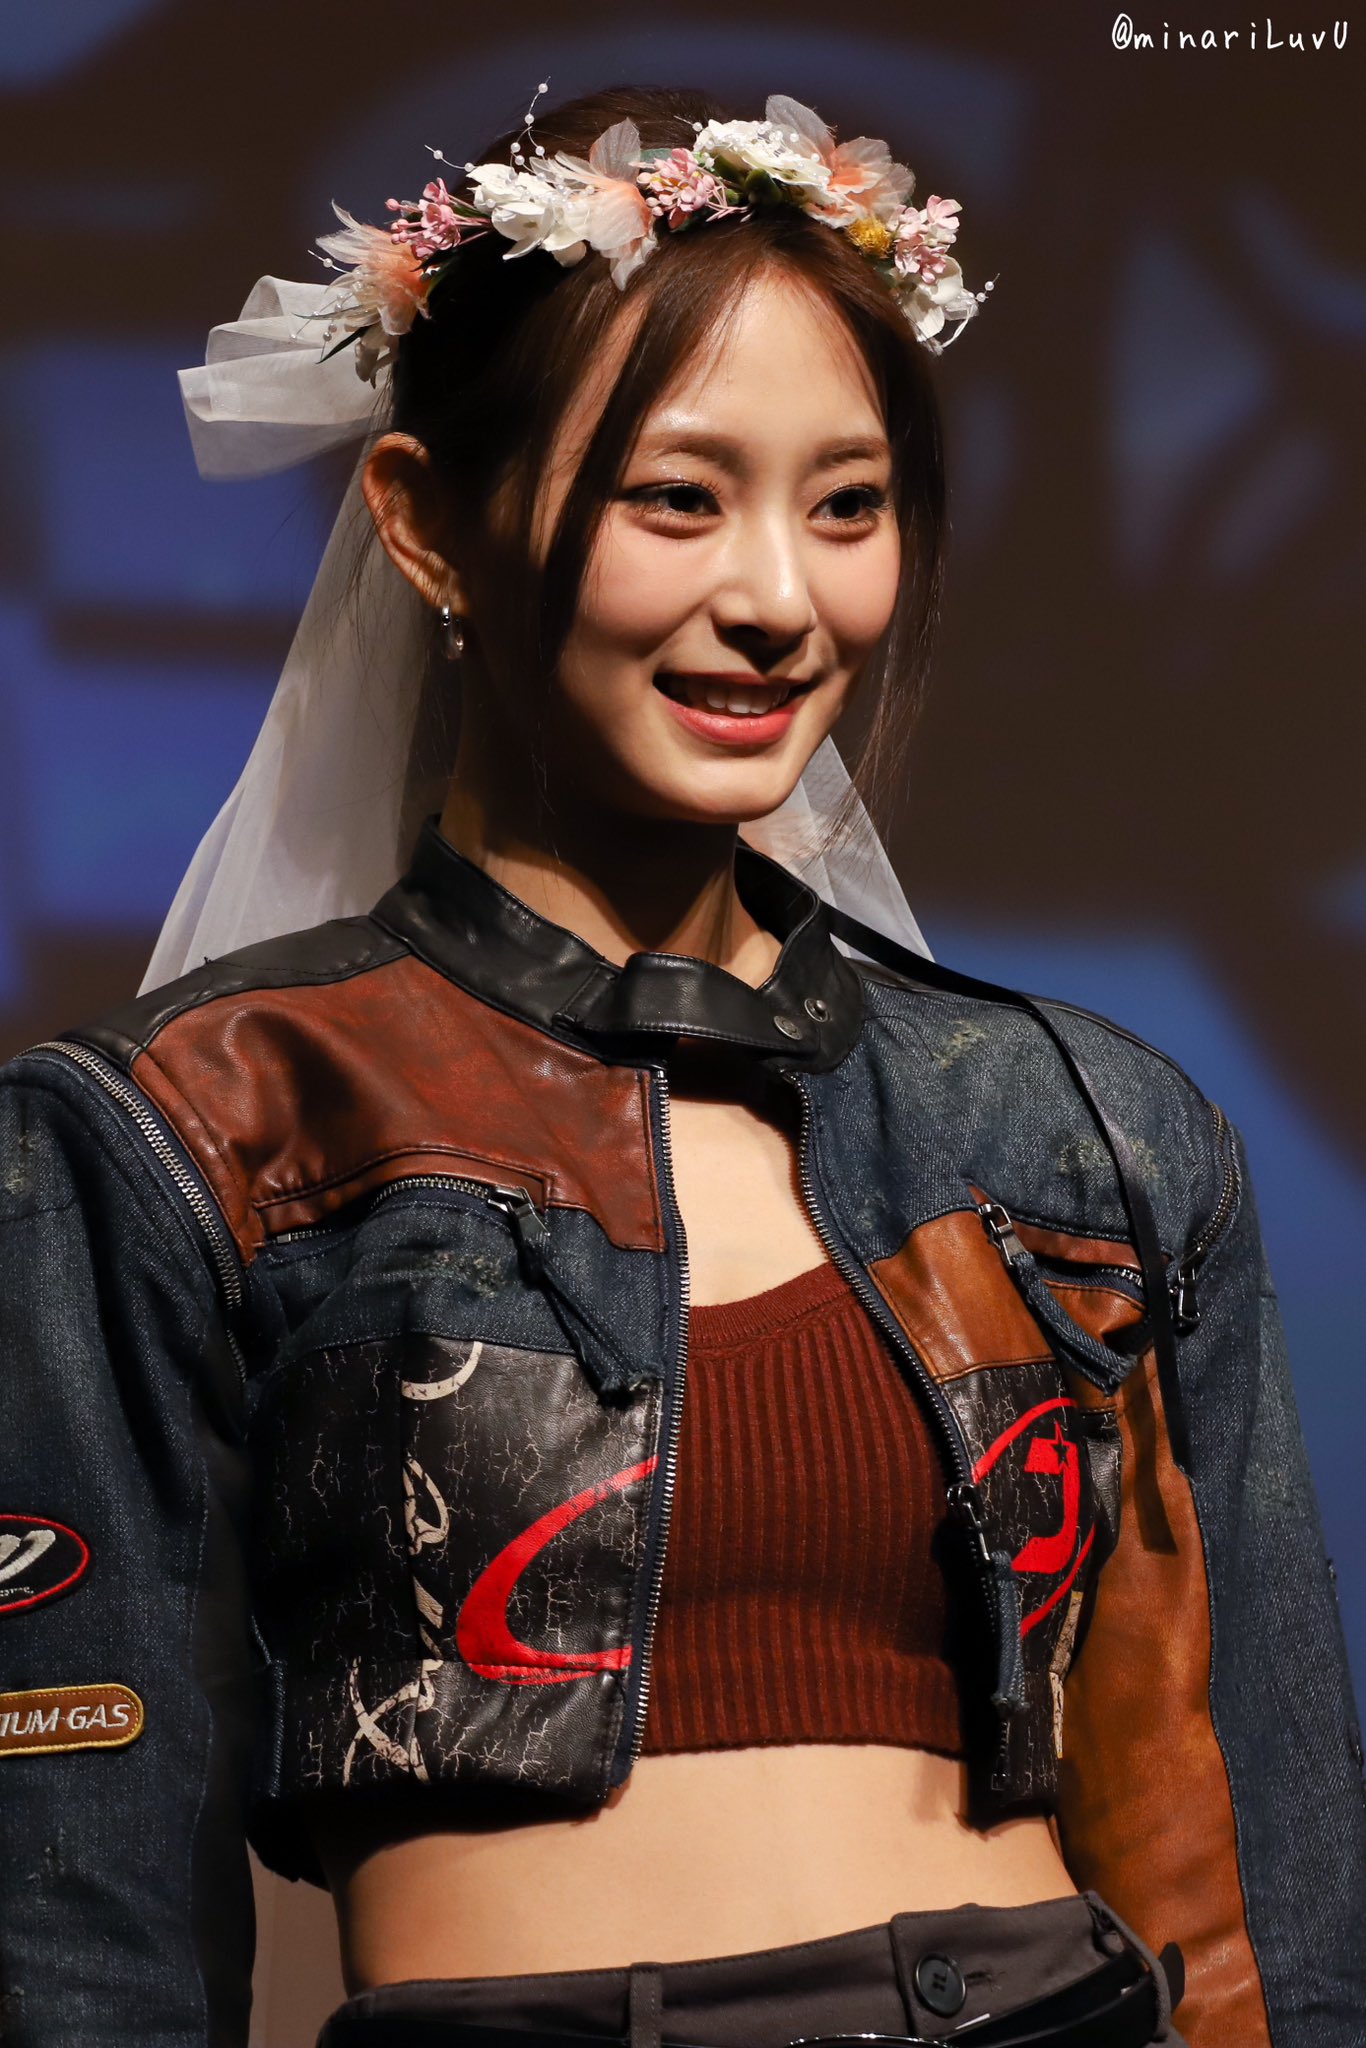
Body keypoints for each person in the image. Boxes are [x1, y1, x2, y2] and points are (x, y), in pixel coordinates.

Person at [0, 81, 1362, 2048]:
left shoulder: (1091, 1134)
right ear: (424, 522)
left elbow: (1253, 1855)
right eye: (675, 498)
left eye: (846, 505)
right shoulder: (189, 1133)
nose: (779, 601)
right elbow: (75, 1925)